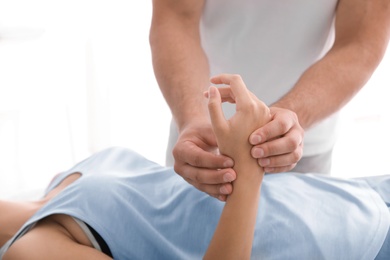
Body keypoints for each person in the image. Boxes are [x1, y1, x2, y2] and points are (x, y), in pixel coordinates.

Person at [0, 74, 389, 259]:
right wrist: (246, 170)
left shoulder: (61, 183)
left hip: (354, 198)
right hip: (357, 245)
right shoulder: (33, 251)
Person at [149, 0, 390, 201]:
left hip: (304, 144)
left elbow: (360, 42)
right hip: (200, 138)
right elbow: (175, 17)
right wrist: (192, 117)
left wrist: (292, 116)